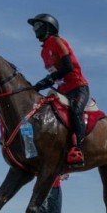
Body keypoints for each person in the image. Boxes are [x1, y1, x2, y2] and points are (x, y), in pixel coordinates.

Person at [28, 13, 89, 168]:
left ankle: (78, 149)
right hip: (62, 91)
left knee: (75, 112)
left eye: (38, 25)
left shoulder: (57, 41)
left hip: (78, 87)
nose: (35, 29)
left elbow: (68, 67)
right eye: (34, 27)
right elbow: (55, 74)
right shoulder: (43, 51)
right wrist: (39, 86)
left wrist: (47, 80)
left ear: (48, 27)